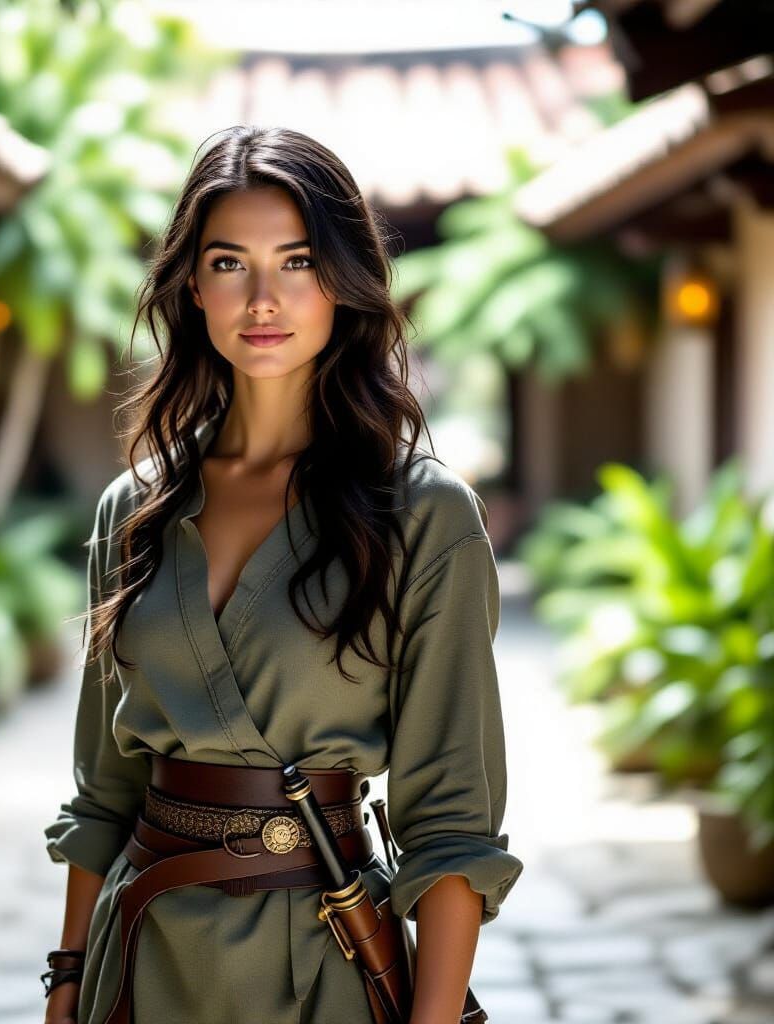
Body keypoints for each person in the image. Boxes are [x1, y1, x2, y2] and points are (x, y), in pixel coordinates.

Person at [42, 125, 523, 1024]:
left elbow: (452, 823)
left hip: (321, 959)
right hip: (140, 957)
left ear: (343, 279)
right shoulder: (132, 509)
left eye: (296, 260)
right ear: (193, 284)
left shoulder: (424, 514)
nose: (263, 298)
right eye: (230, 263)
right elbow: (104, 790)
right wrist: (67, 986)